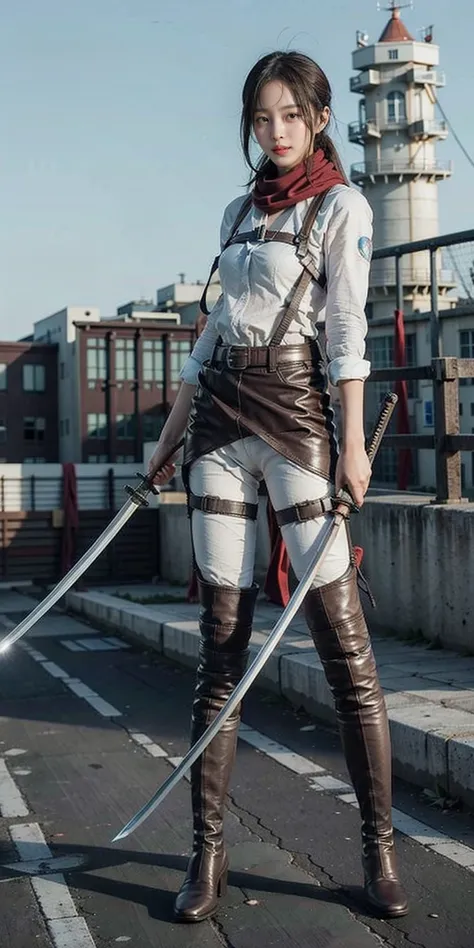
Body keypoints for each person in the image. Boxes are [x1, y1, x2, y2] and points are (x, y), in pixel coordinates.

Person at [148, 50, 408, 923]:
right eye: (262, 118)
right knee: (222, 645)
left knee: (343, 644)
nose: (275, 131)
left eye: (290, 114)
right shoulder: (235, 211)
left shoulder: (344, 206)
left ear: (320, 117)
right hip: (218, 423)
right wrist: (168, 434)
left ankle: (378, 852)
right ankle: (207, 857)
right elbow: (209, 332)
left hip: (297, 419)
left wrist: (352, 446)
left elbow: (345, 331)